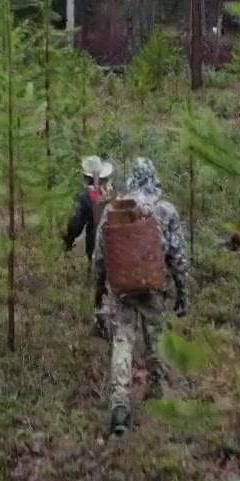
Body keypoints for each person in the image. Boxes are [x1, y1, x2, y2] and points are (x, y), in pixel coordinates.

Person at [91, 157, 189, 437]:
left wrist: (99, 291)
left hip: (122, 287)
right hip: (152, 285)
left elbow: (100, 256)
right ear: (154, 177)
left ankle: (120, 404)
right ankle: (159, 392)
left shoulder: (114, 210)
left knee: (123, 340)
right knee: (156, 337)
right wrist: (183, 291)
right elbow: (177, 256)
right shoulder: (166, 210)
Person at [65, 156, 115, 336]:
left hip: (98, 248)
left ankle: (101, 323)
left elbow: (76, 225)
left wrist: (66, 242)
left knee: (100, 284)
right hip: (118, 248)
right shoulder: (110, 191)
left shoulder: (87, 196)